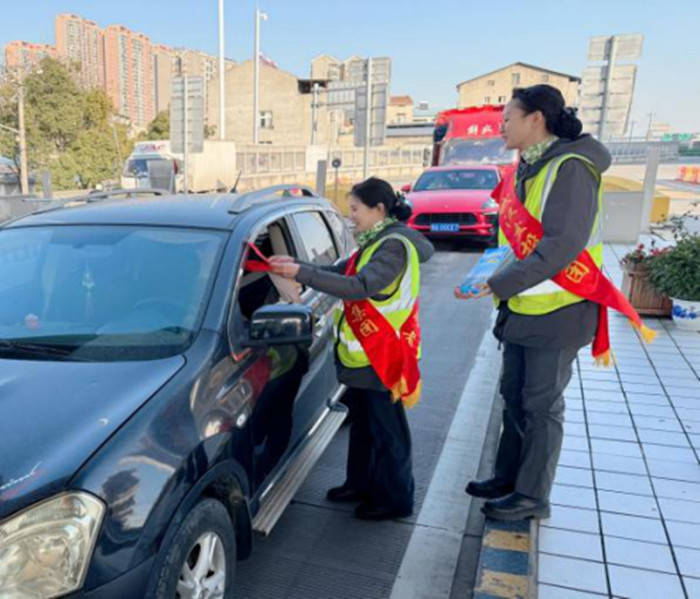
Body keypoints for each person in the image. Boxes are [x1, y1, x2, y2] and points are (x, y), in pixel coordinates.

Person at [456, 85, 613, 521]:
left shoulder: (571, 168)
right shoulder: (528, 166)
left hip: (561, 310)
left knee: (542, 407)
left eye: (507, 118)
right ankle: (508, 477)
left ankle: (531, 495)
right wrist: (490, 276)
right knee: (513, 395)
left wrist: (501, 283)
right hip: (524, 307)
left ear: (536, 119)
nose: (501, 127)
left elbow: (561, 244)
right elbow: (515, 241)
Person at [268, 177, 434, 521]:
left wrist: (301, 272)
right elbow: (339, 271)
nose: (351, 216)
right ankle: (360, 484)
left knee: (388, 433)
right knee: (364, 426)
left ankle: (394, 499)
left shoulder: (394, 246)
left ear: (379, 209)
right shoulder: (376, 240)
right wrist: (296, 267)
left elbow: (360, 286)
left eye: (355, 209)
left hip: (384, 355)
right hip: (366, 356)